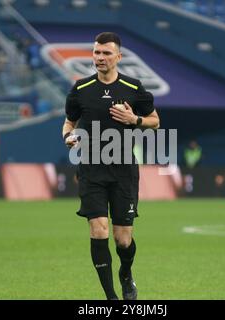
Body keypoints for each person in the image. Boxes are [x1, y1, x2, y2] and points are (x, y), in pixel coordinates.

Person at [62, 32, 160, 300]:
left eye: (106, 53)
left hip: (123, 171)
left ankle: (126, 273)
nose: (100, 58)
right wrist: (68, 136)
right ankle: (111, 298)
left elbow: (155, 121)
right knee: (98, 230)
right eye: (96, 53)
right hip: (91, 169)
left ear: (118, 56)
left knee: (123, 240)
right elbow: (69, 122)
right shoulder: (81, 89)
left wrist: (134, 119)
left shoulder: (133, 87)